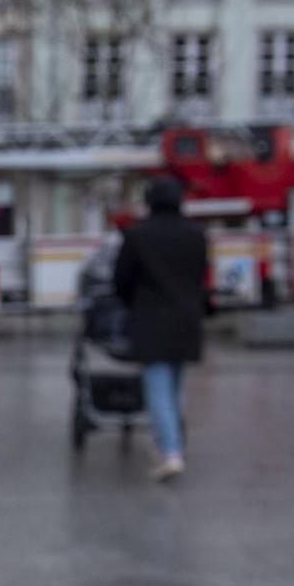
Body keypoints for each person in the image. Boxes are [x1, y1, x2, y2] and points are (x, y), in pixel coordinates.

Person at [114, 177, 209, 481]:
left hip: (151, 319)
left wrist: (131, 304)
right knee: (174, 387)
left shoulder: (138, 235)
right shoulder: (198, 235)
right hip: (187, 319)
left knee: (157, 387)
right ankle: (169, 444)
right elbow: (201, 277)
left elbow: (122, 279)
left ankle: (170, 451)